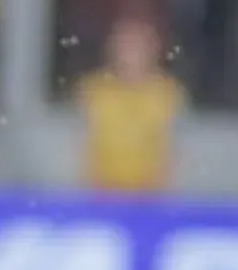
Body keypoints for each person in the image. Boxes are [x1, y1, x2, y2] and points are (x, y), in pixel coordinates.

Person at [76, 13, 184, 195]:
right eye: (125, 48)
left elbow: (173, 151)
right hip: (102, 195)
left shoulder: (166, 93)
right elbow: (83, 146)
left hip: (149, 198)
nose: (131, 56)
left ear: (153, 51)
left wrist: (157, 192)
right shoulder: (94, 90)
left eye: (137, 48)